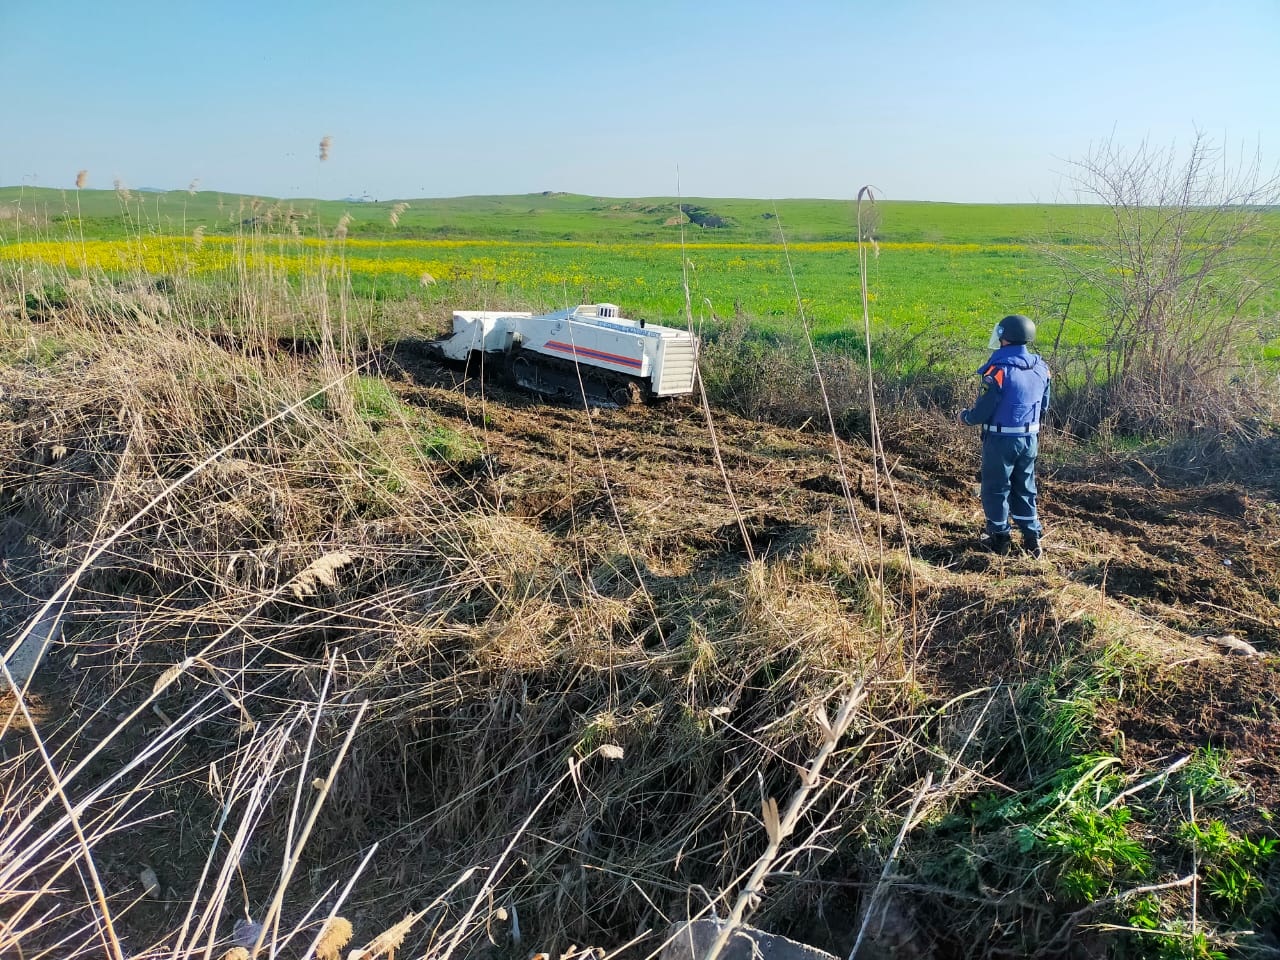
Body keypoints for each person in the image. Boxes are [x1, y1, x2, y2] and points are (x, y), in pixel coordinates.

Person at [956, 314, 1051, 558]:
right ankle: (1032, 539)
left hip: (1000, 440)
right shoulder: (1041, 367)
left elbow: (984, 410)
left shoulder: (998, 371)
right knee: (1025, 486)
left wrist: (966, 417)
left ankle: (999, 538)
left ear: (1004, 338)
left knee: (996, 488)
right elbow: (1044, 406)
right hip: (1030, 439)